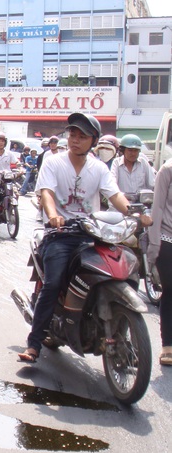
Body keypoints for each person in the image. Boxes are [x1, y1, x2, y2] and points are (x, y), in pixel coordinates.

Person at [17, 113, 153, 363]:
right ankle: (34, 342)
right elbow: (46, 192)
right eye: (72, 135)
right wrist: (53, 215)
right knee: (54, 282)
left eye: (82, 136)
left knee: (124, 265)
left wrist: (135, 213)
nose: (75, 140)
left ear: (94, 141)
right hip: (61, 234)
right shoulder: (53, 162)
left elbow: (115, 196)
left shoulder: (99, 169)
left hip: (93, 234)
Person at [147, 159, 172, 365]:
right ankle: (168, 346)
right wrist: (154, 246)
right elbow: (157, 208)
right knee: (171, 291)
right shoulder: (168, 169)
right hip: (167, 238)